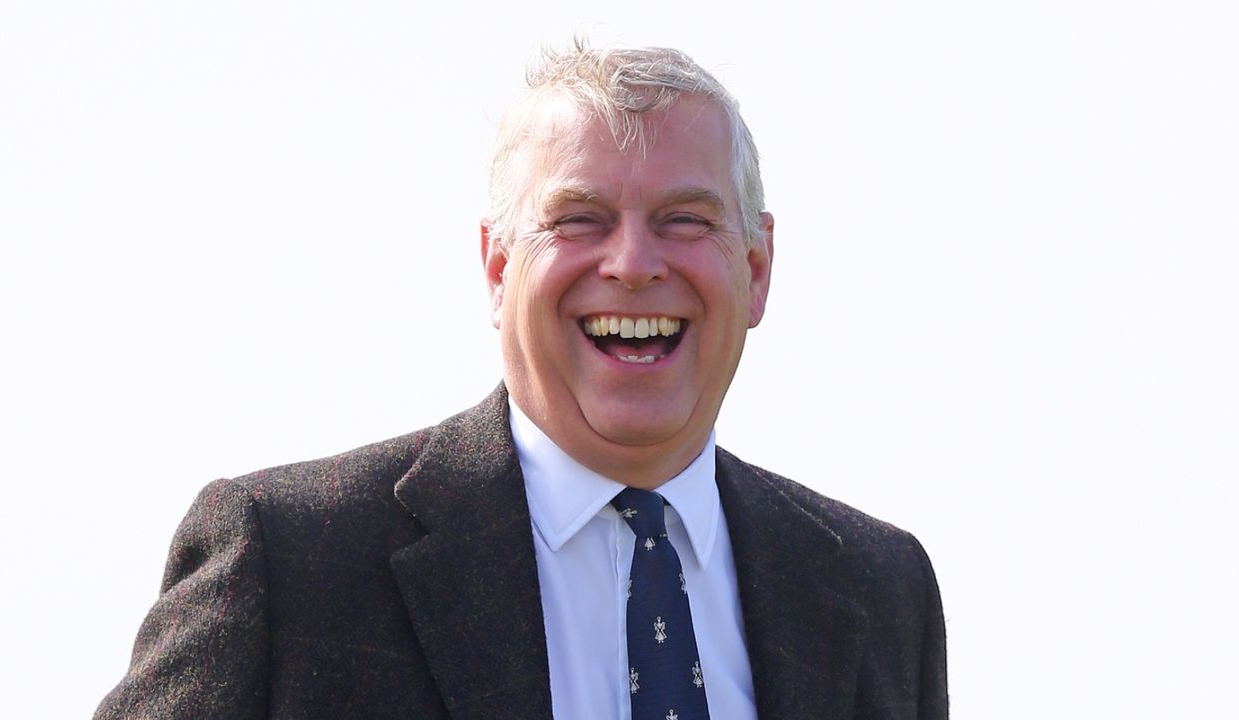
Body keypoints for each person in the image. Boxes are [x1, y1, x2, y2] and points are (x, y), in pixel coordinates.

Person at [96, 41, 948, 720]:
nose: (633, 264)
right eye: (580, 220)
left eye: (683, 220)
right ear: (498, 268)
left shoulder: (879, 590)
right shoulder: (289, 567)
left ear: (756, 268)